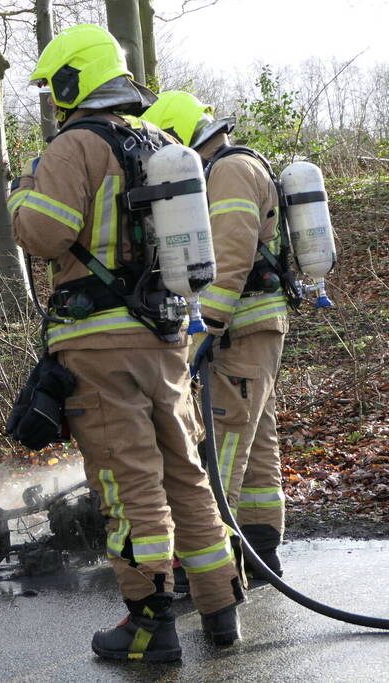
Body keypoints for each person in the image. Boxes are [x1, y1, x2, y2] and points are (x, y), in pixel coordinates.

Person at [9, 25, 243, 662]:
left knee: (127, 483)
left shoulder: (75, 145)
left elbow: (43, 236)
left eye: (53, 89)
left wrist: (22, 193)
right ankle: (221, 613)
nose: (52, 103)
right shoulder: (166, 144)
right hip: (165, 337)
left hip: (99, 344)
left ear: (71, 81)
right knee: (187, 474)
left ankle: (149, 627)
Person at [142, 90, 290, 581]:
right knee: (257, 443)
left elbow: (228, 260)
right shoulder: (234, 166)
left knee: (224, 440)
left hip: (241, 327)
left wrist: (197, 339)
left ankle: (211, 565)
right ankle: (260, 554)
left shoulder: (228, 170)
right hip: (253, 327)